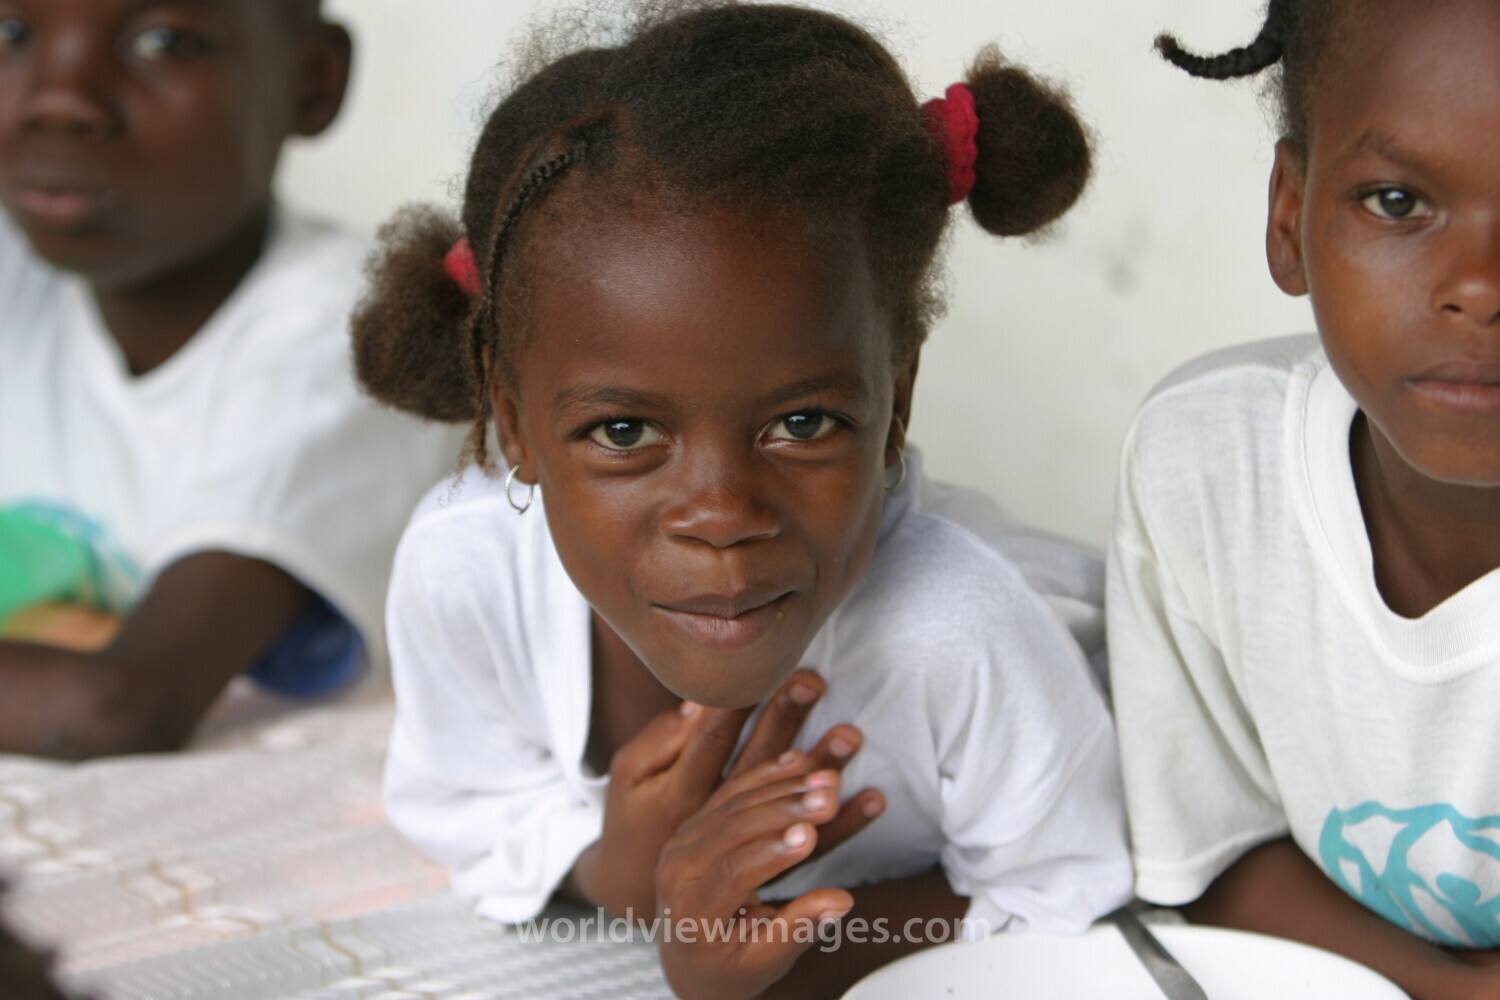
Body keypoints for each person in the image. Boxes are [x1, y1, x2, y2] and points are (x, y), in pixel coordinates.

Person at [354, 3, 1131, 997]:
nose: (721, 513)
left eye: (802, 424)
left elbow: (1074, 894)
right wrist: (614, 864)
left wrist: (789, 956)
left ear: (896, 396)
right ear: (512, 420)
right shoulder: (466, 566)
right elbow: (471, 800)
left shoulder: (963, 629)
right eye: (625, 432)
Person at [1107, 1, 1500, 996]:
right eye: (1399, 202)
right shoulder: (1206, 468)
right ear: (1291, 217)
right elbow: (1216, 856)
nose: (1480, 287)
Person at [0, 0, 457, 758]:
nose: (59, 100)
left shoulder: (358, 334)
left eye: (163, 42)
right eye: (10, 35)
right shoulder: (24, 278)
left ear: (312, 81)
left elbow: (115, 709)